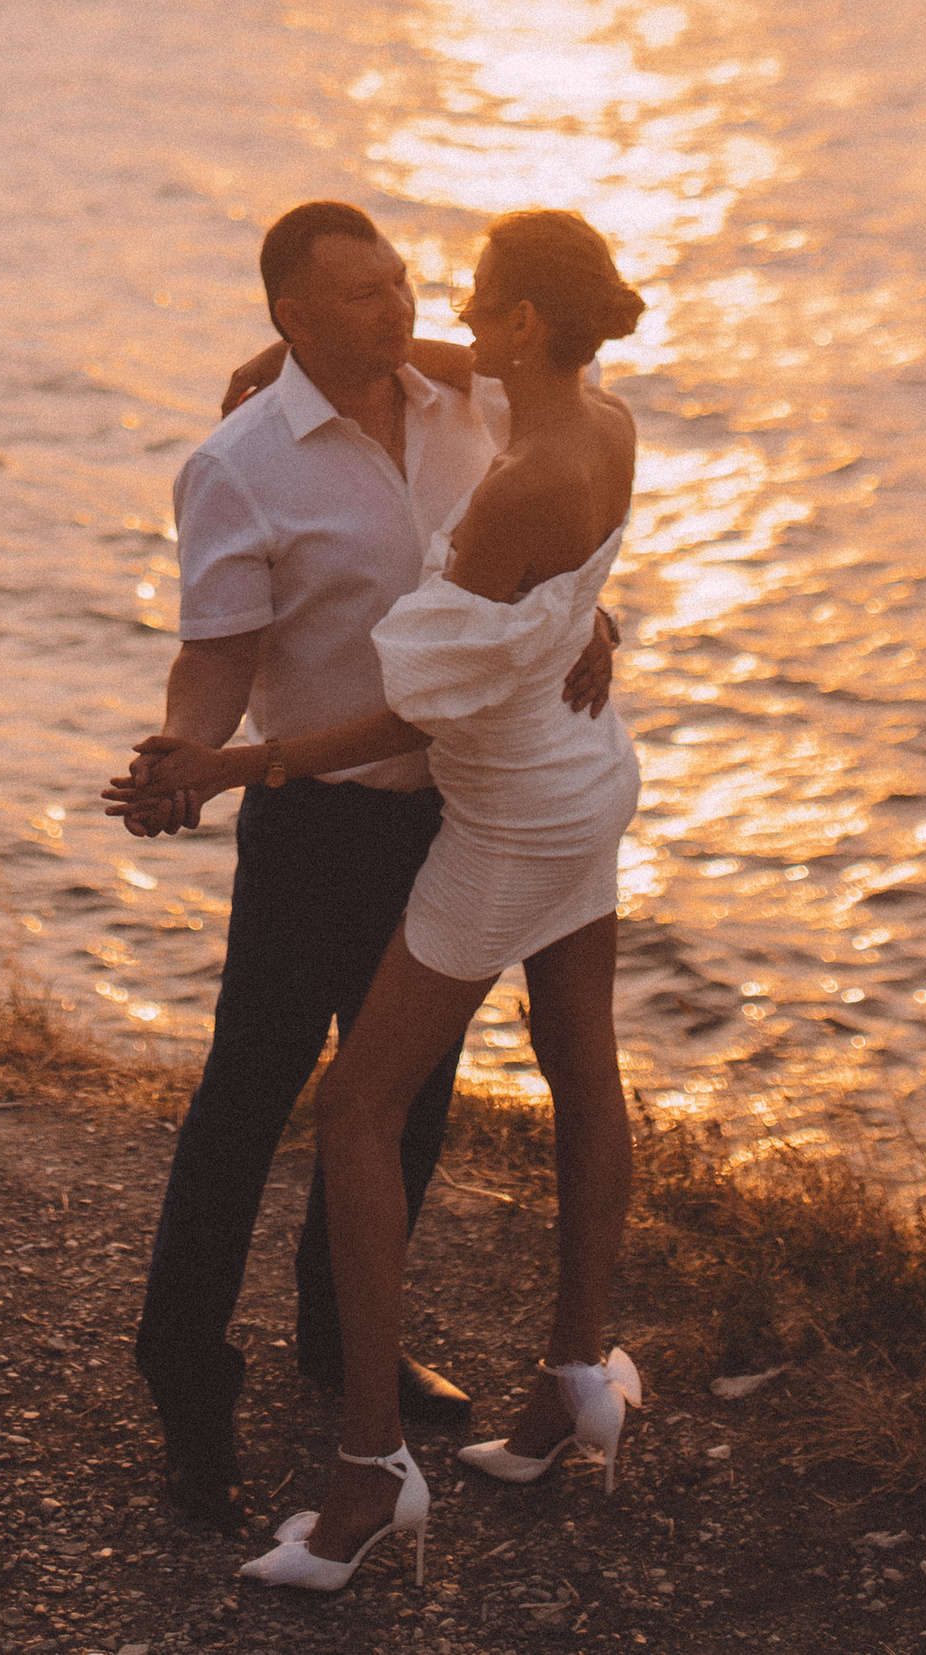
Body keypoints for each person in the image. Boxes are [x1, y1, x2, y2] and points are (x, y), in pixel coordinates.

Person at [115, 206, 646, 1595]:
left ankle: (345, 1354)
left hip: (456, 812)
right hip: (320, 832)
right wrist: (196, 755)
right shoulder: (238, 467)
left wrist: (580, 612)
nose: (399, 306)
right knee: (253, 1100)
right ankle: (185, 1377)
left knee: (403, 1110)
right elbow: (216, 651)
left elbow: (536, 527)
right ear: (295, 313)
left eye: (406, 281)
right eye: (358, 293)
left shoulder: (470, 392)